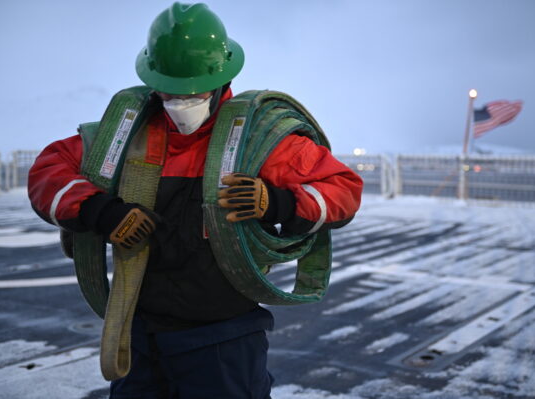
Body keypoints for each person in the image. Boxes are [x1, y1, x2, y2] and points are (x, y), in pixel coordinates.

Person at [28, 3, 363, 398]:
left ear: (221, 79)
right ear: (154, 82)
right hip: (139, 330)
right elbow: (48, 170)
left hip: (223, 337)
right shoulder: (126, 136)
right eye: (170, 90)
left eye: (193, 91)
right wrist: (98, 210)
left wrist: (276, 203)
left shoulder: (261, 140)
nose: (181, 100)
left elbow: (343, 189)